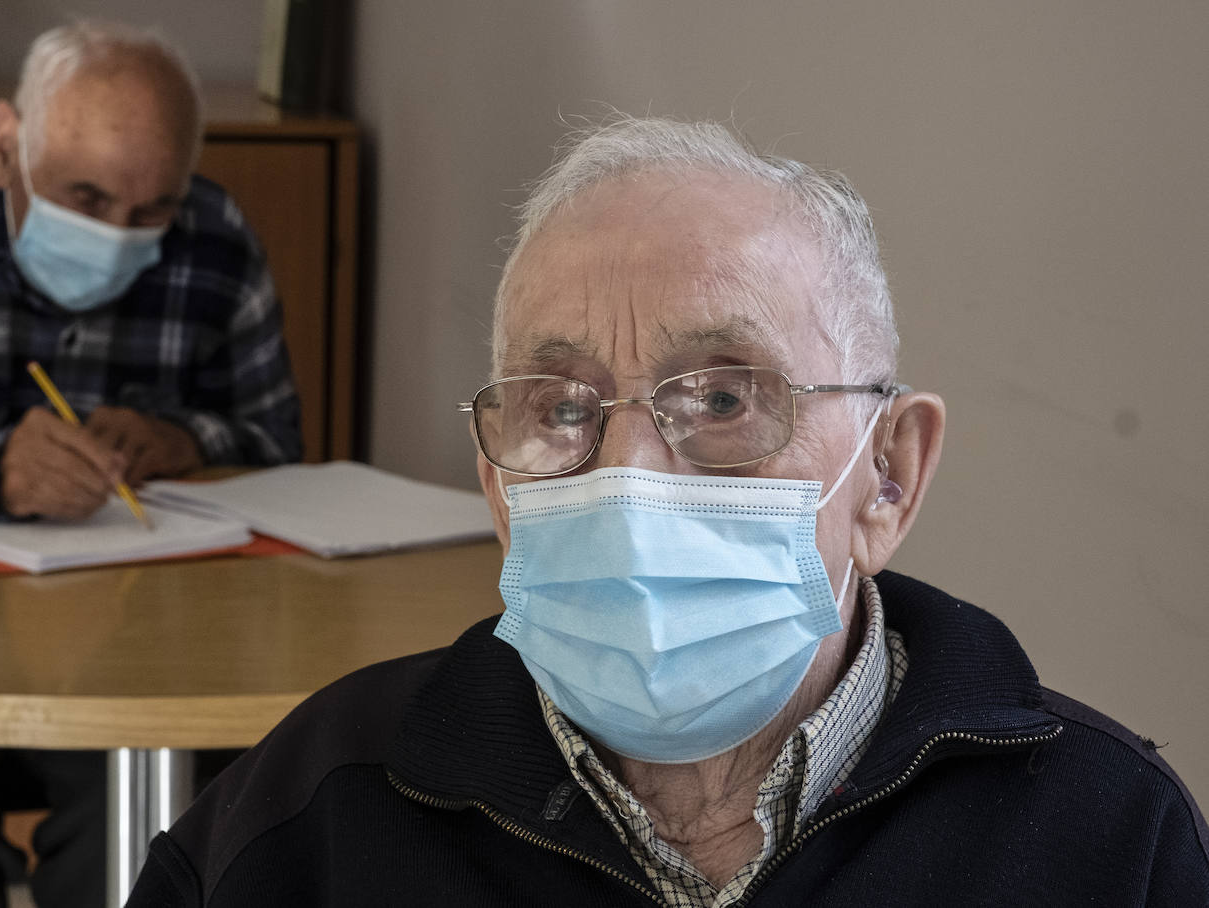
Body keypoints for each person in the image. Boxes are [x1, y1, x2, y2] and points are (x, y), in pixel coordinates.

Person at [125, 117, 1209, 906]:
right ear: (497, 483)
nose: (629, 473)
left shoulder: (1108, 839)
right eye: (559, 407)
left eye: (726, 396)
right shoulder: (311, 814)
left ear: (887, 474)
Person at [0, 20, 301, 908]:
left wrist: (185, 441)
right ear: (6, 148)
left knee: (152, 834)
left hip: (125, 648)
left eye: (149, 211)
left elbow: (277, 446)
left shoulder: (215, 237)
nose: (119, 235)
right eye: (84, 199)